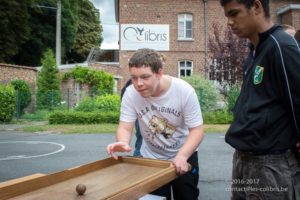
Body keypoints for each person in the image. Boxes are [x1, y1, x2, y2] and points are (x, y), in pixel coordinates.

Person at [219, 0, 300, 199]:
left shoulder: (281, 45)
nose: (229, 22)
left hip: (271, 164)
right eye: (227, 16)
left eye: (234, 13)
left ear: (256, 7)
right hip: (243, 159)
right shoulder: (255, 51)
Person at [107, 48, 204, 200]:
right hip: (151, 159)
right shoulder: (131, 93)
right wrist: (123, 141)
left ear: (159, 73)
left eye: (145, 77)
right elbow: (125, 126)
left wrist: (182, 156)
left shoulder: (184, 91)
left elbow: (197, 130)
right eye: (134, 78)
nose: (138, 84)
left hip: (184, 155)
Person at [120, 79, 142, 156]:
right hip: (139, 111)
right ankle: (139, 153)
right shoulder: (129, 90)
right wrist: (123, 141)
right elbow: (125, 128)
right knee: (141, 135)